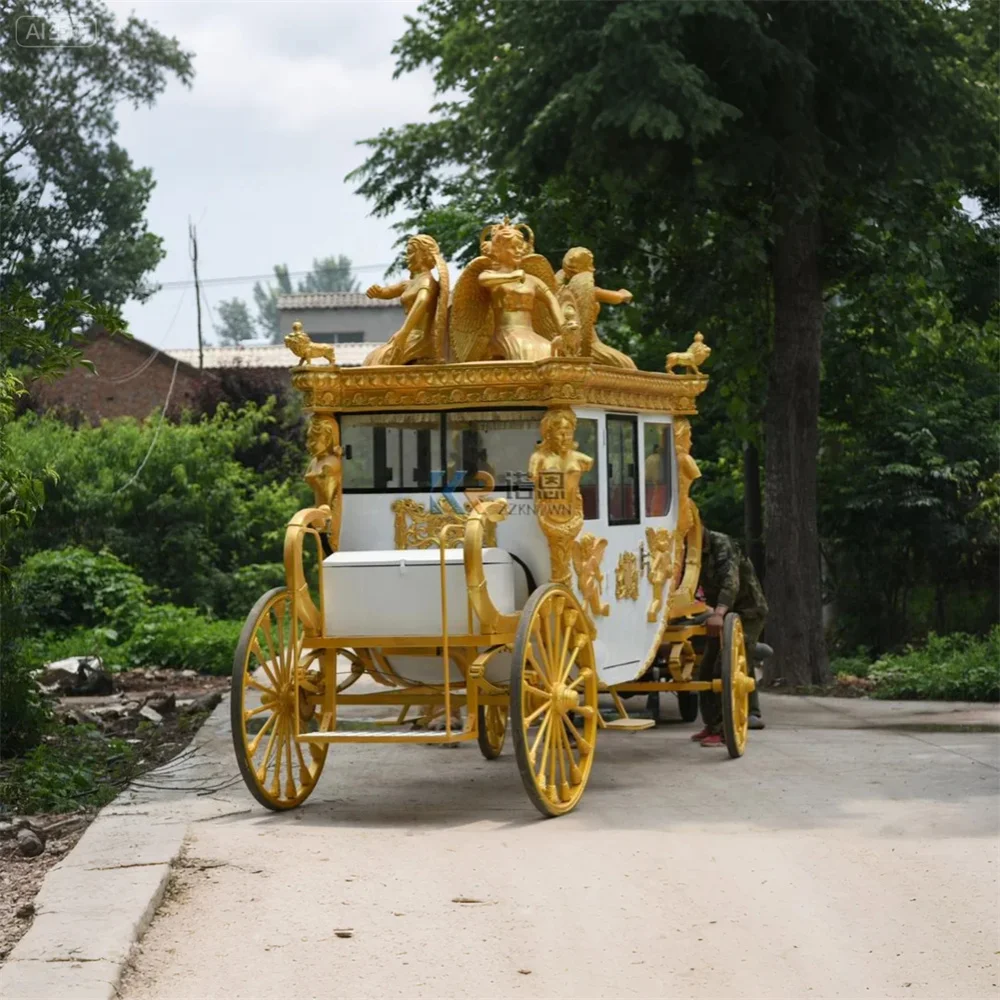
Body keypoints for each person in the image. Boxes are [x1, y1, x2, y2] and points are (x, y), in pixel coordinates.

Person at [691, 528, 768, 746]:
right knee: (706, 669)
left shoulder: (721, 544)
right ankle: (712, 725)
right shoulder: (689, 549)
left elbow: (730, 582)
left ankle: (726, 730)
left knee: (725, 665)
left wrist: (718, 612)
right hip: (722, 614)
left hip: (748, 610)